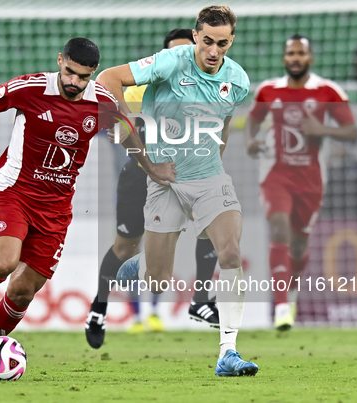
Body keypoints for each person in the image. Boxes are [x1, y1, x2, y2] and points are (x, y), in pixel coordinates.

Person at [0, 37, 174, 380]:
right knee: (4, 263)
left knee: (22, 291)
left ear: (92, 74)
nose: (74, 82)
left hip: (57, 209)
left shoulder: (102, 102)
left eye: (83, 76)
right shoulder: (32, 87)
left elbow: (128, 131)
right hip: (14, 192)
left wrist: (151, 169)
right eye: (70, 72)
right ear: (60, 61)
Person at [98, 6, 259, 377]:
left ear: (231, 41)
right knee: (158, 280)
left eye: (222, 43)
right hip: (163, 180)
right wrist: (131, 132)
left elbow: (223, 123)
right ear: (196, 35)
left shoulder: (238, 80)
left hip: (209, 179)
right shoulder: (171, 61)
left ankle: (228, 353)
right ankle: (135, 269)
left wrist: (211, 169)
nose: (213, 51)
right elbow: (108, 78)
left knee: (231, 252)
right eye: (206, 42)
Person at [85, 28, 220, 347]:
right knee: (127, 249)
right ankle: (99, 306)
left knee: (214, 225)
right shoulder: (136, 92)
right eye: (173, 54)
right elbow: (98, 117)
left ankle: (197, 300)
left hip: (183, 180)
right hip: (138, 178)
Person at [245, 34, 357, 331]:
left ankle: (290, 293)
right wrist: (250, 141)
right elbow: (253, 119)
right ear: (284, 59)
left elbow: (351, 132)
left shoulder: (327, 90)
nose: (295, 58)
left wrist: (320, 128)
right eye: (290, 54)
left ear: (310, 58)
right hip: (275, 174)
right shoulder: (269, 90)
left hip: (311, 179)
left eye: (301, 54)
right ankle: (281, 306)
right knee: (279, 228)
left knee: (298, 247)